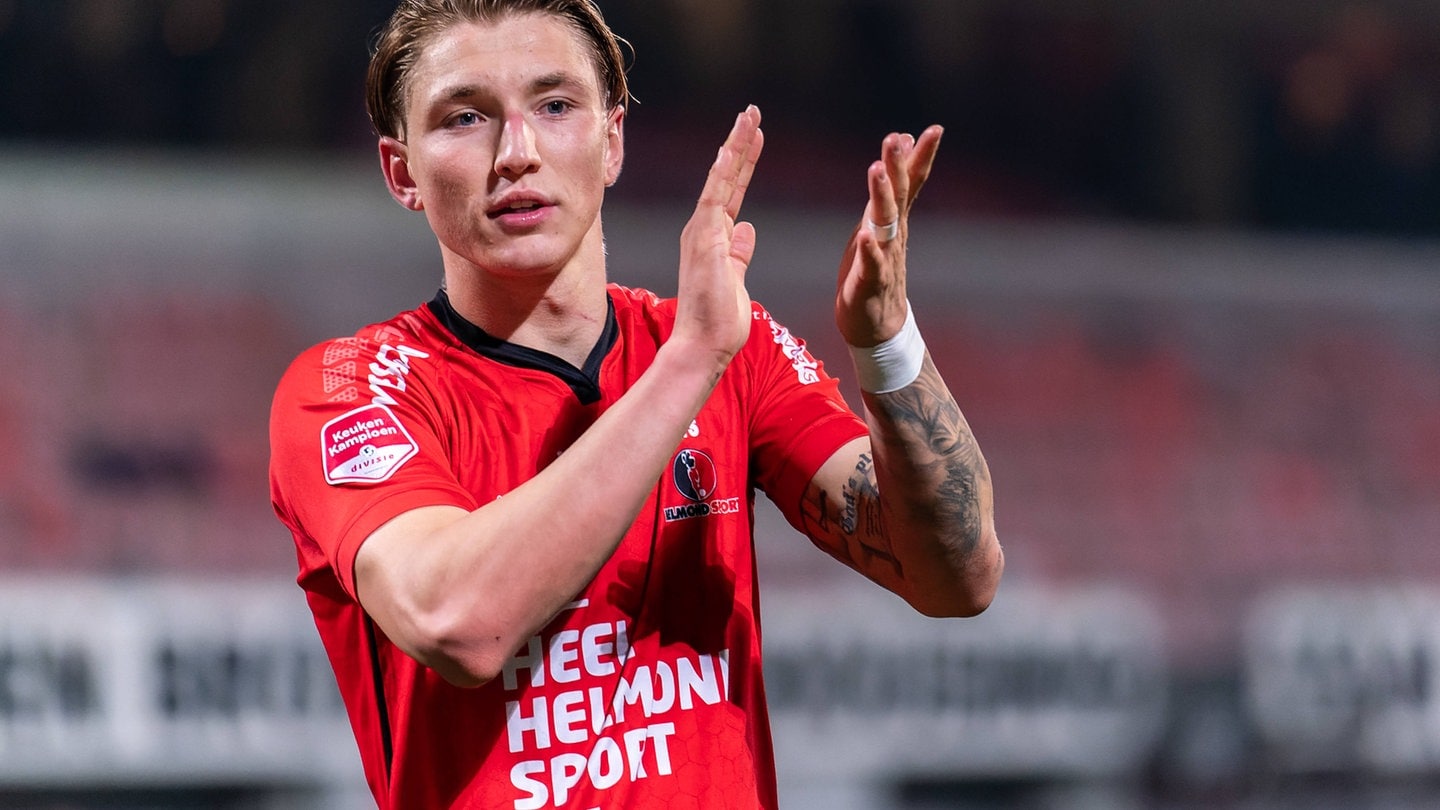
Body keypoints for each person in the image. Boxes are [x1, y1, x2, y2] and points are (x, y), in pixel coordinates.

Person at [268, 0, 1004, 807]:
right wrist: (689, 363)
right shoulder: (351, 387)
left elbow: (957, 578)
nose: (516, 152)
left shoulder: (732, 350)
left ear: (612, 139)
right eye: (465, 117)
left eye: (555, 106)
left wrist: (887, 343)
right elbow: (456, 622)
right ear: (402, 171)